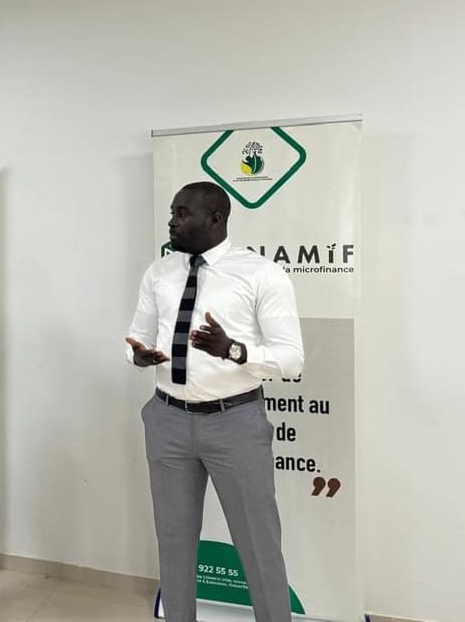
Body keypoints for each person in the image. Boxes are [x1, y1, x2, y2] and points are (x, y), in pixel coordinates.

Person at [125, 182, 304, 622]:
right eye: (172, 212)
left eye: (182, 213)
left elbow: (291, 359)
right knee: (173, 541)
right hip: (168, 419)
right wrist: (138, 355)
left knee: (258, 543)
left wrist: (233, 350)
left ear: (215, 219)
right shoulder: (159, 272)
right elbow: (137, 337)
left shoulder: (260, 274)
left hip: (235, 422)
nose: (172, 221)